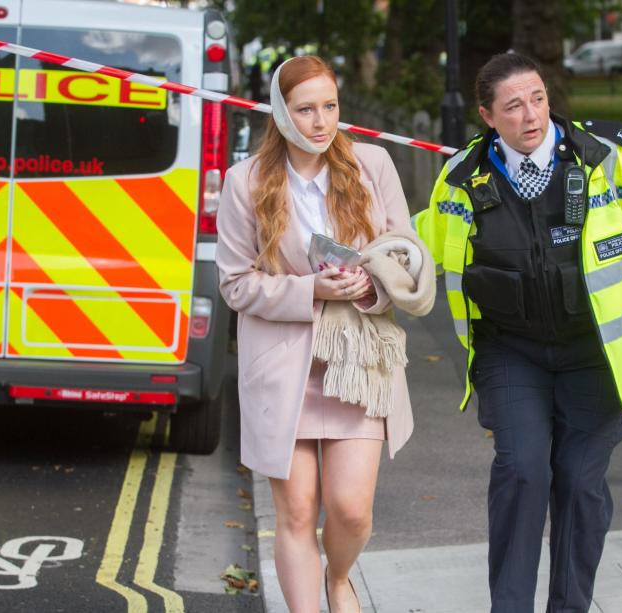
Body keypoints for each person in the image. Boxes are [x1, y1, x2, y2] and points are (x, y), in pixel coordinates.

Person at [414, 52, 622, 612]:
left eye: (538, 98)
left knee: (576, 478)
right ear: (488, 116)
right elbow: (420, 248)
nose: (532, 115)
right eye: (514, 106)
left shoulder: (608, 160)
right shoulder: (460, 178)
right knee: (521, 471)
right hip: (510, 351)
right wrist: (374, 269)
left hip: (598, 355)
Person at [216, 56, 419, 613]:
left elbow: (405, 257)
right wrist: (311, 292)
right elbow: (235, 285)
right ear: (281, 113)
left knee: (351, 509)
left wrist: (369, 285)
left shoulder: (372, 164)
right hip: (285, 367)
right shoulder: (246, 180)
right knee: (298, 512)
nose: (321, 121)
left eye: (329, 106)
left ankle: (339, 579)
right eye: (306, 110)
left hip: (358, 362)